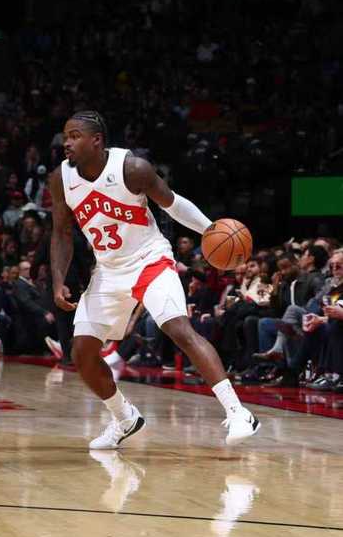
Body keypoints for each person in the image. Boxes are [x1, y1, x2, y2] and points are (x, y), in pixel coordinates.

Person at [50, 111, 260, 449]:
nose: (67, 142)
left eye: (75, 135)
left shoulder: (132, 168)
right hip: (108, 270)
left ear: (96, 140)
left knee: (178, 329)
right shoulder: (60, 178)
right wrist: (58, 279)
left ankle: (238, 412)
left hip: (149, 259)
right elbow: (61, 232)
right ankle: (124, 418)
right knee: (82, 353)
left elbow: (173, 204)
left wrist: (209, 229)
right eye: (66, 135)